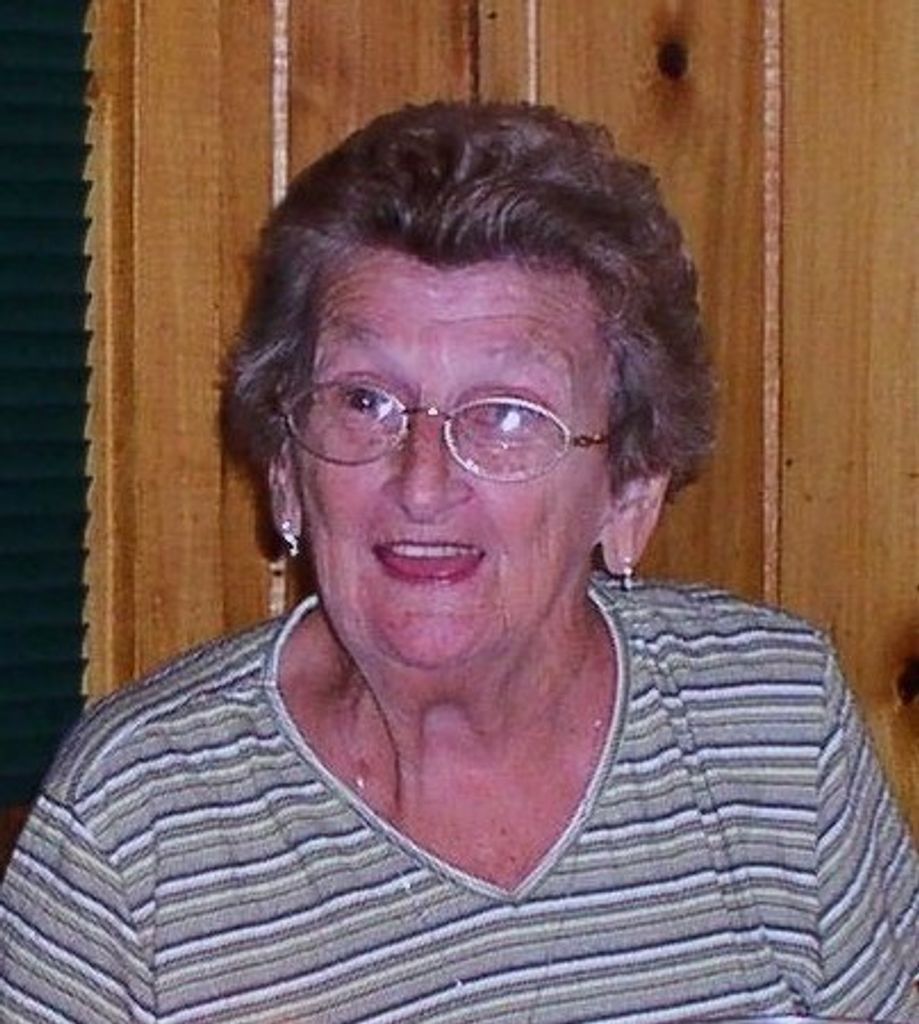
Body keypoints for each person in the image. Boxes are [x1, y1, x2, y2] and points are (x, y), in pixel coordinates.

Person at [1, 101, 916, 1024]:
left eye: (508, 414)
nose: (423, 484)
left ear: (629, 491)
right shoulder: (141, 814)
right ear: (284, 469)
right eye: (364, 401)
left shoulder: (774, 726)